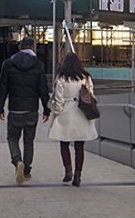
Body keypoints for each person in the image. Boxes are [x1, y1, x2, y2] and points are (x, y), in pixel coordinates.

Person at [0, 35, 50, 185]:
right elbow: (43, 89)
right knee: (29, 141)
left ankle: (17, 161)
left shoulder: (8, 64)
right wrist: (46, 109)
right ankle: (26, 171)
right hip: (32, 109)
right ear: (33, 47)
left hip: (15, 109)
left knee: (12, 138)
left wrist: (0, 107)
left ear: (20, 47)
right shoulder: (38, 65)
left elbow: (3, 88)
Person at [48, 52, 98, 187]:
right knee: (79, 146)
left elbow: (59, 99)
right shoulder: (86, 77)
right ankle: (78, 175)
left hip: (66, 112)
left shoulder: (61, 78)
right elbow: (91, 95)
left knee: (64, 143)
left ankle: (68, 170)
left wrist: (57, 114)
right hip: (82, 112)